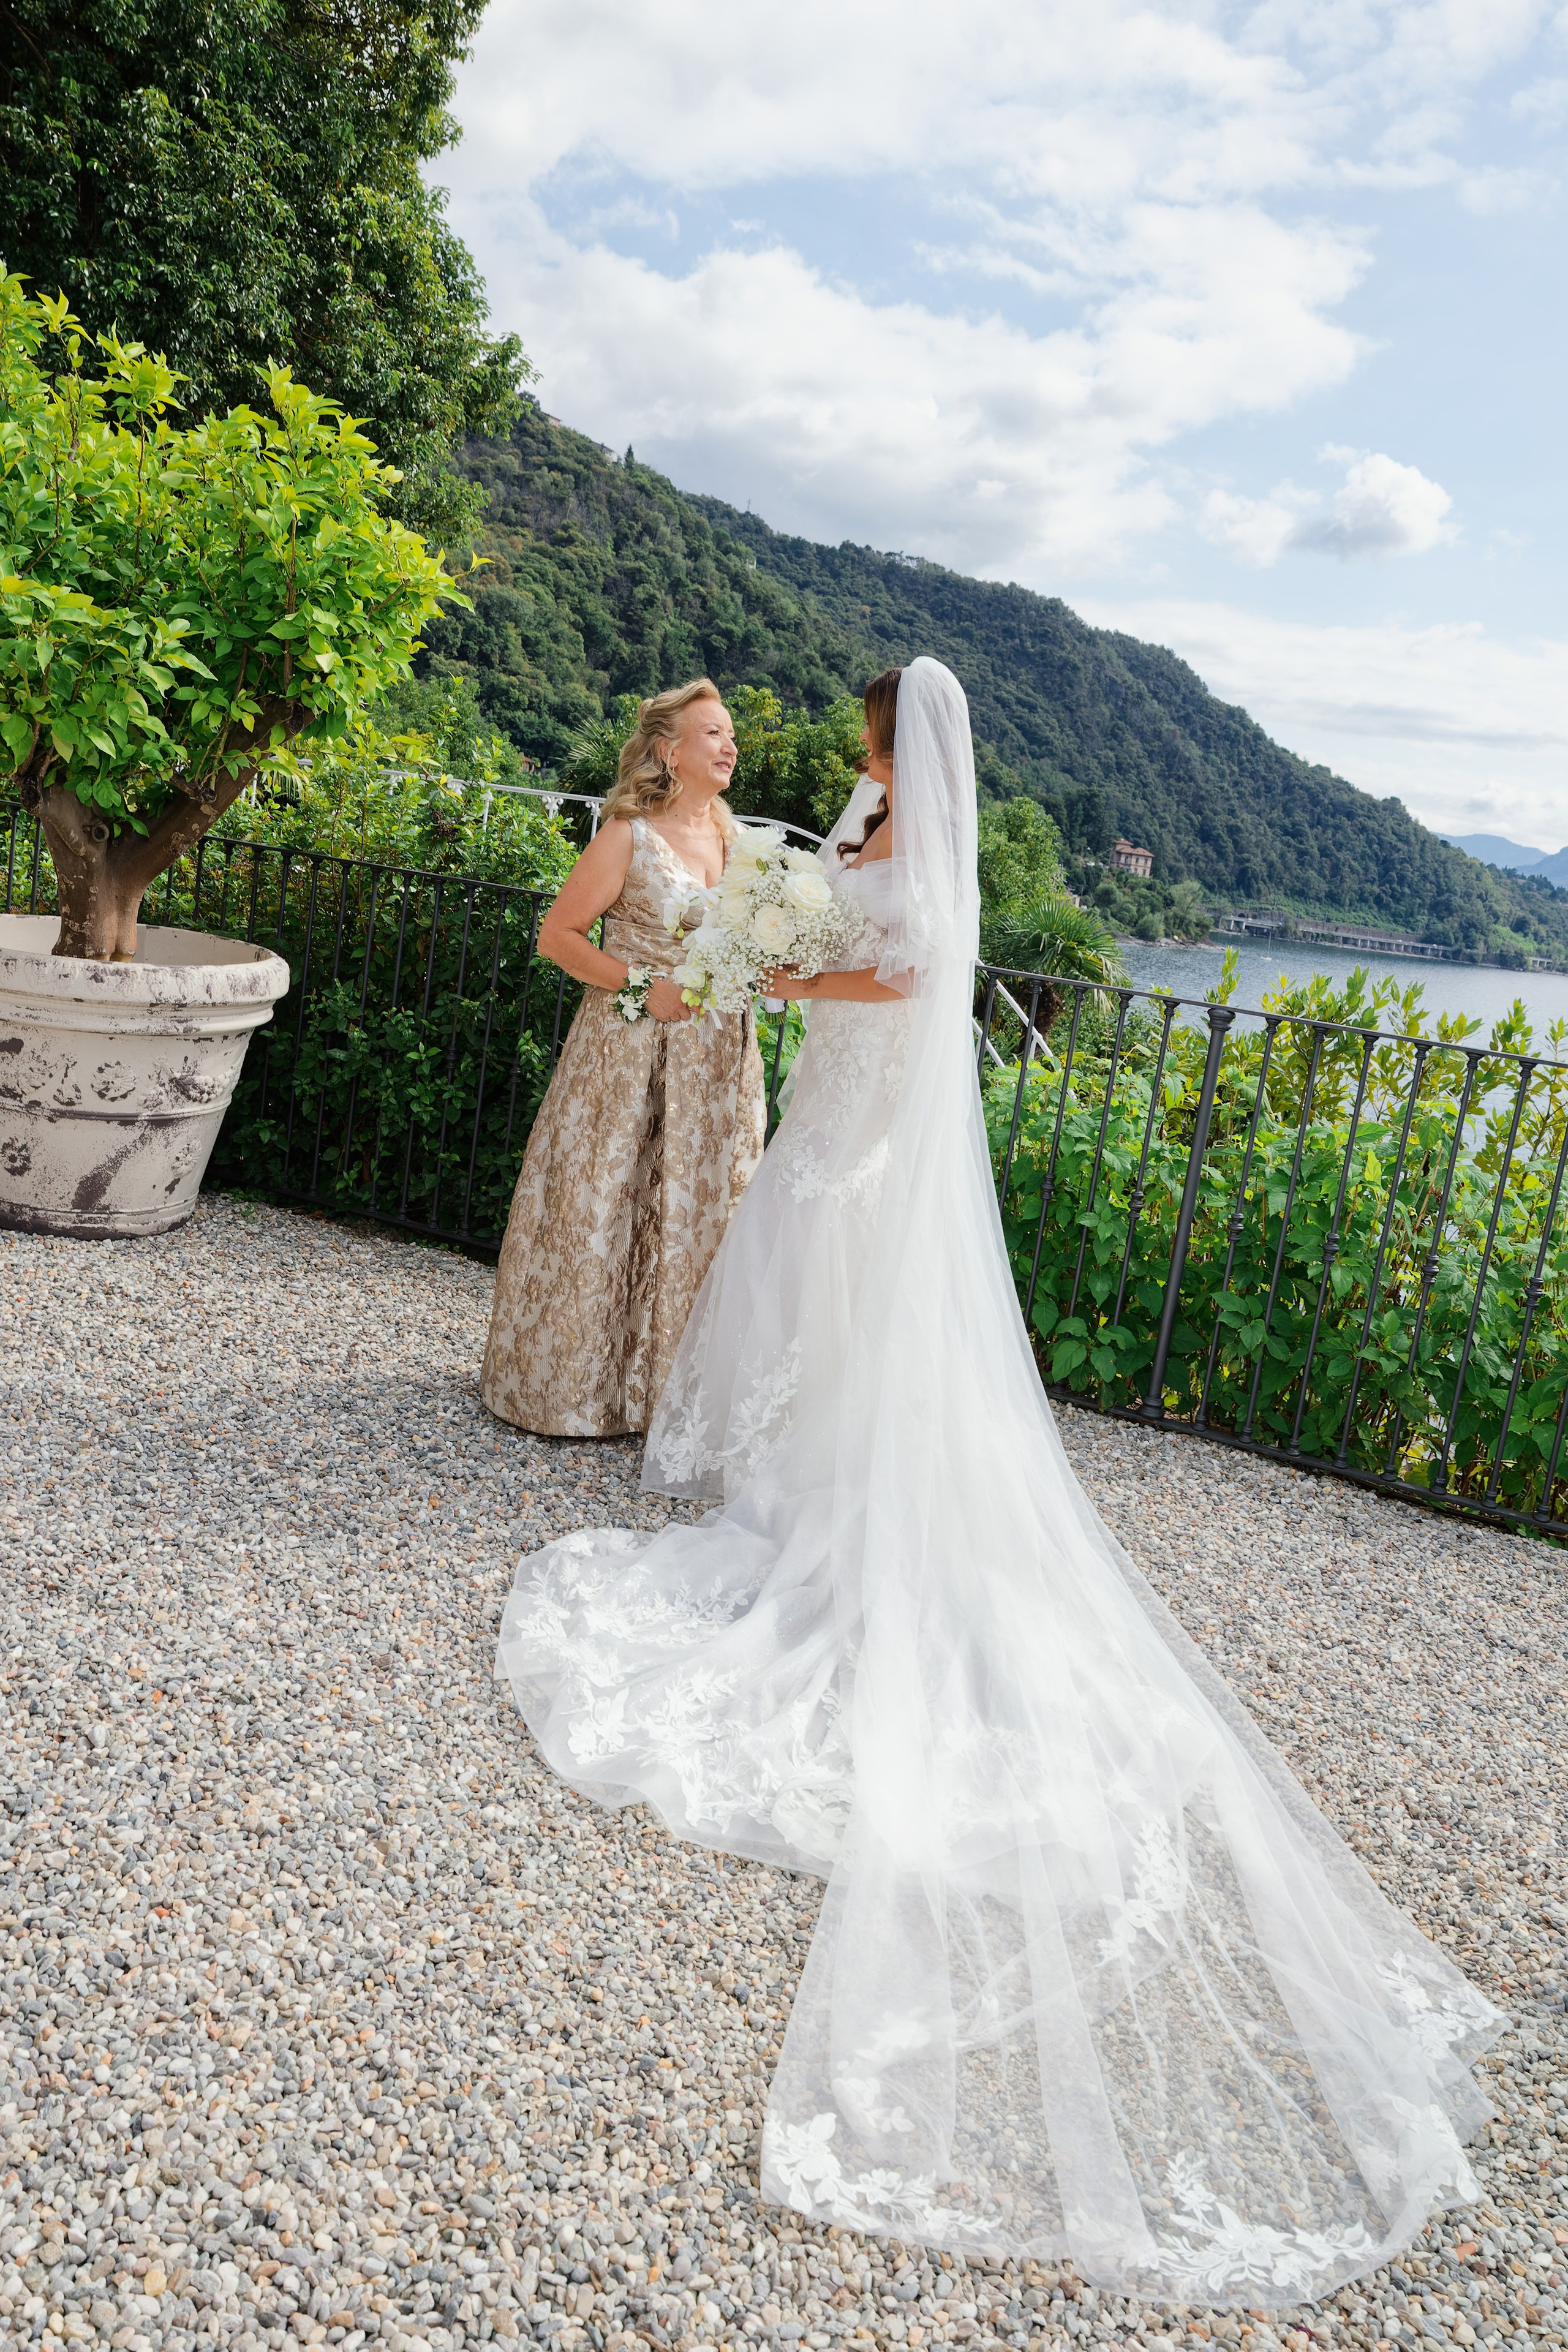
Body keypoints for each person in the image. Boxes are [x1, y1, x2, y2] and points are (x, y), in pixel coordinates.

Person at [494, 660, 1501, 2304]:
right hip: (818, 1091)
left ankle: (857, 1509)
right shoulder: (868, 812)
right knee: (803, 1286)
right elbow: (812, 915)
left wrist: (788, 975)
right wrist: (784, 946)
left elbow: (922, 970)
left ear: (905, 737)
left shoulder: (925, 829)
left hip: (873, 1103)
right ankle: (805, 1479)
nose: (842, 747)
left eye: (865, 724)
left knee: (858, 1298)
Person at [480, 679, 765, 1438]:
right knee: (606, 1208)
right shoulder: (627, 837)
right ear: (670, 751)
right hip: (627, 1054)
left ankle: (669, 1402)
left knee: (698, 1219)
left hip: (718, 1065)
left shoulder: (744, 847)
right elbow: (559, 938)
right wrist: (646, 986)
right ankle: (577, 1393)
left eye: (730, 733)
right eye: (713, 733)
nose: (730, 745)